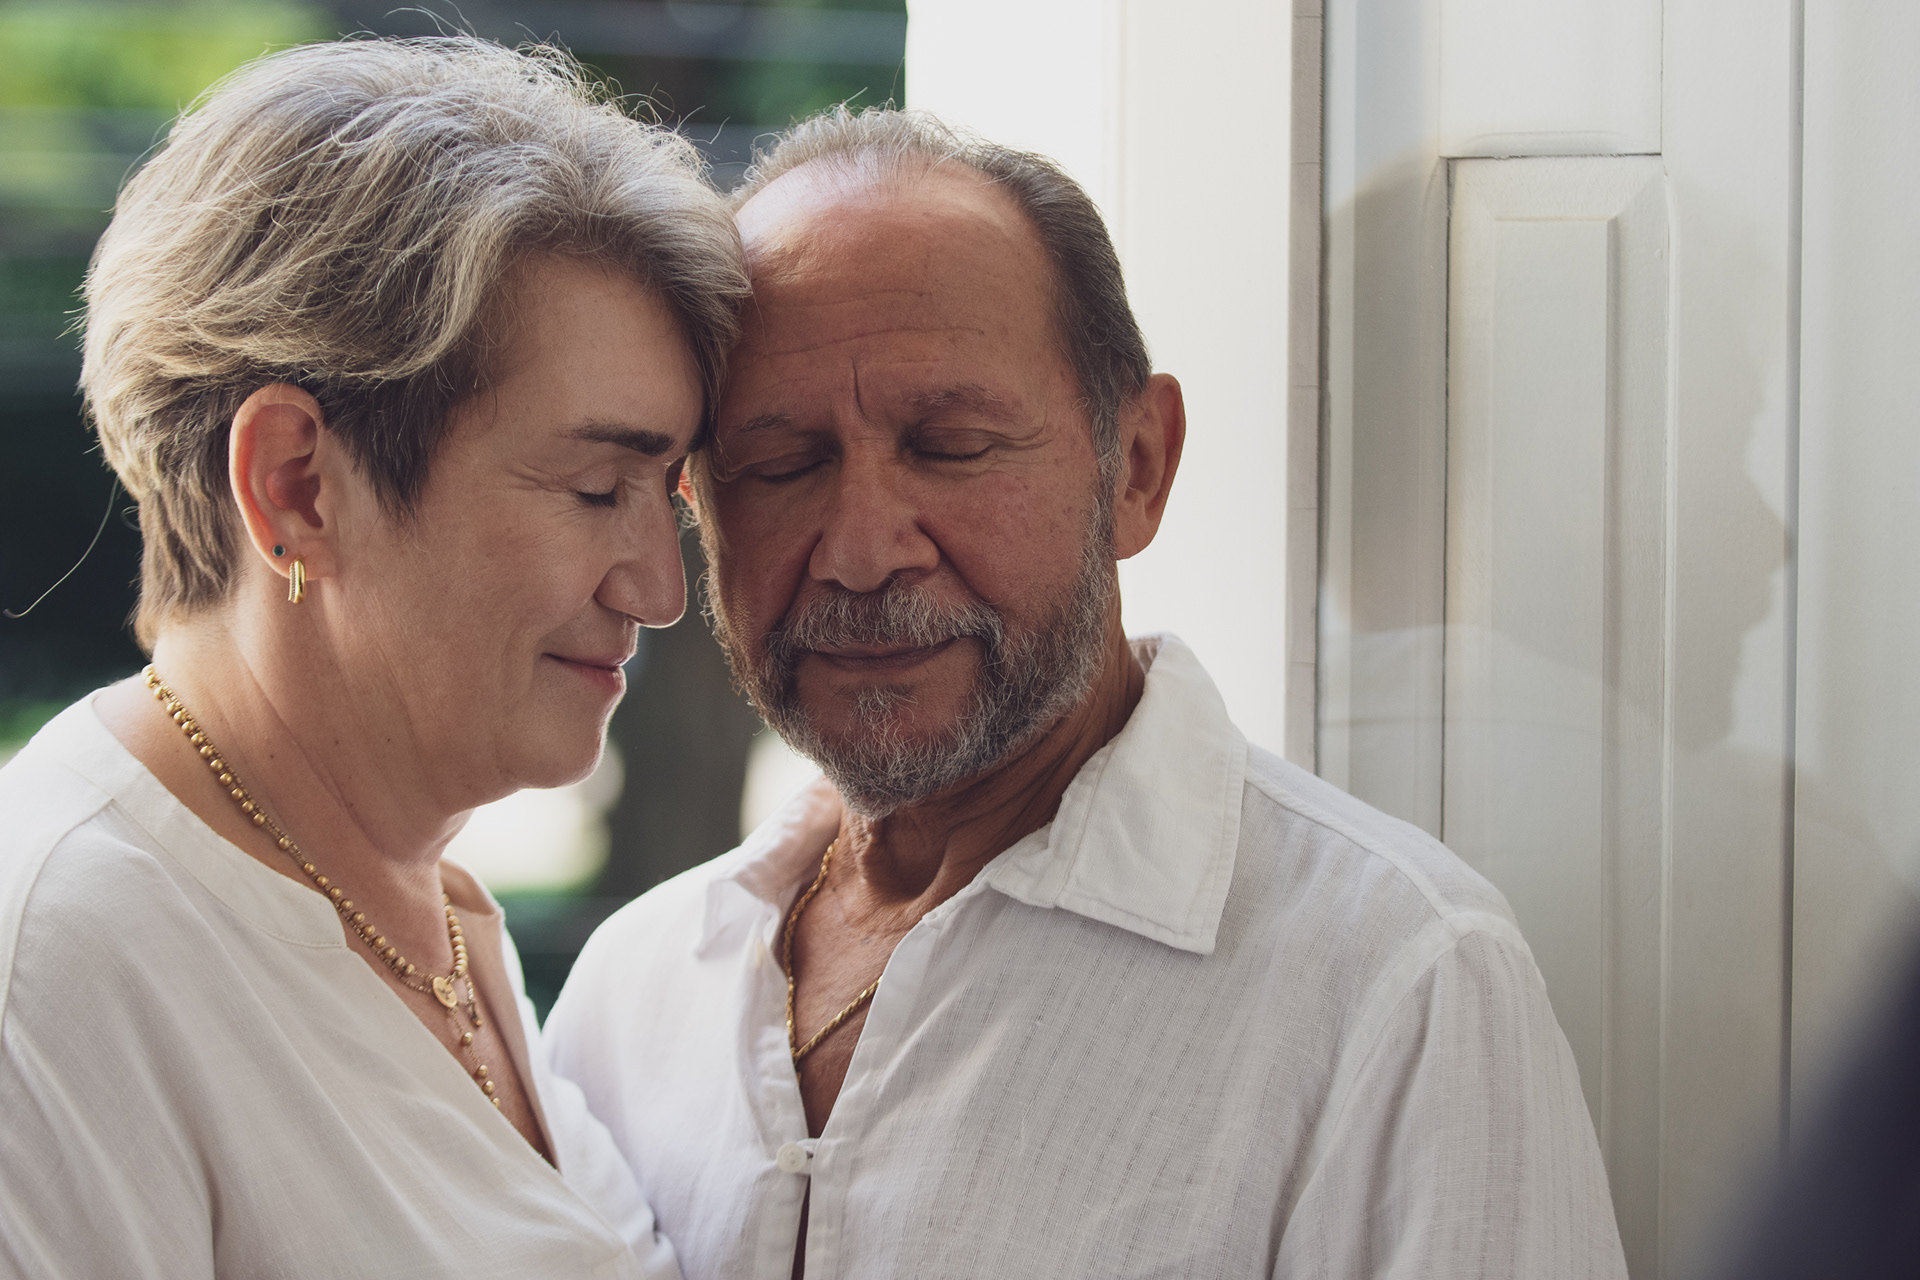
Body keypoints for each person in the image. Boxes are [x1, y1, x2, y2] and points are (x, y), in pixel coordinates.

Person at [546, 106, 1629, 1278]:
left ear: (1138, 469)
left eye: (951, 444)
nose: (862, 550)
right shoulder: (635, 988)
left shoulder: (1395, 985)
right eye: (780, 464)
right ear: (700, 501)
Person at [0, 37, 748, 1280]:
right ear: (296, 485)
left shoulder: (430, 908)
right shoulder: (58, 969)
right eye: (592, 486)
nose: (660, 590)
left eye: (664, 496)